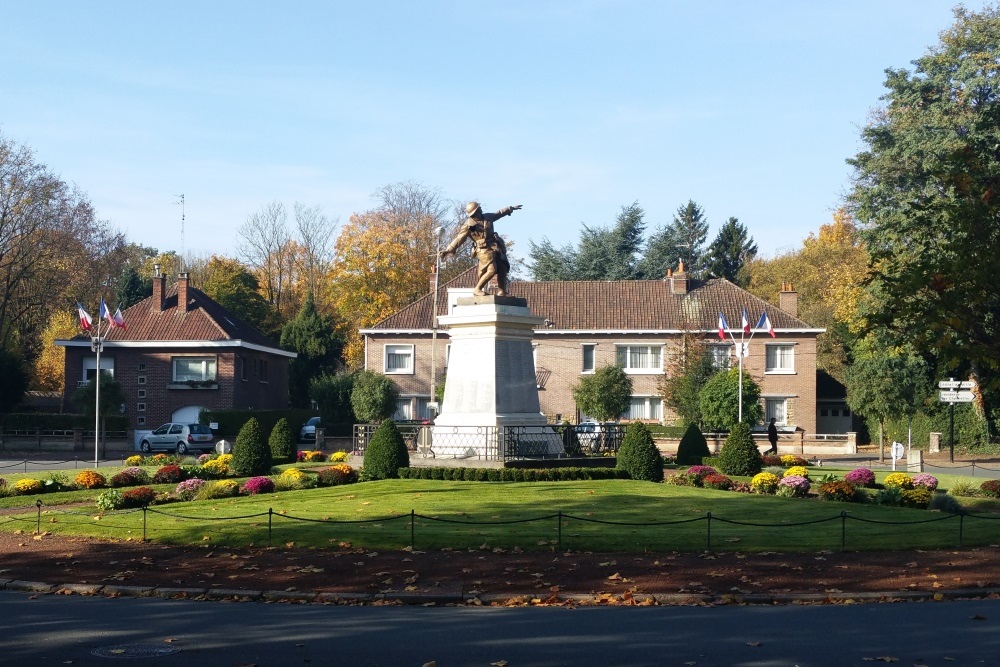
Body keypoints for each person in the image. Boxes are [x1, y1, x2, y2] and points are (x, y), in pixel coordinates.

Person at [440, 201, 521, 296]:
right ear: (475, 212)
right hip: (483, 250)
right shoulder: (469, 225)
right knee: (492, 270)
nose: (481, 209)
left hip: (495, 246)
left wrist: (509, 208)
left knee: (502, 267)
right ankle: (477, 289)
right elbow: (459, 238)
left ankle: (502, 291)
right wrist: (448, 249)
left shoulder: (488, 217)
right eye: (479, 208)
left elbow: (498, 213)